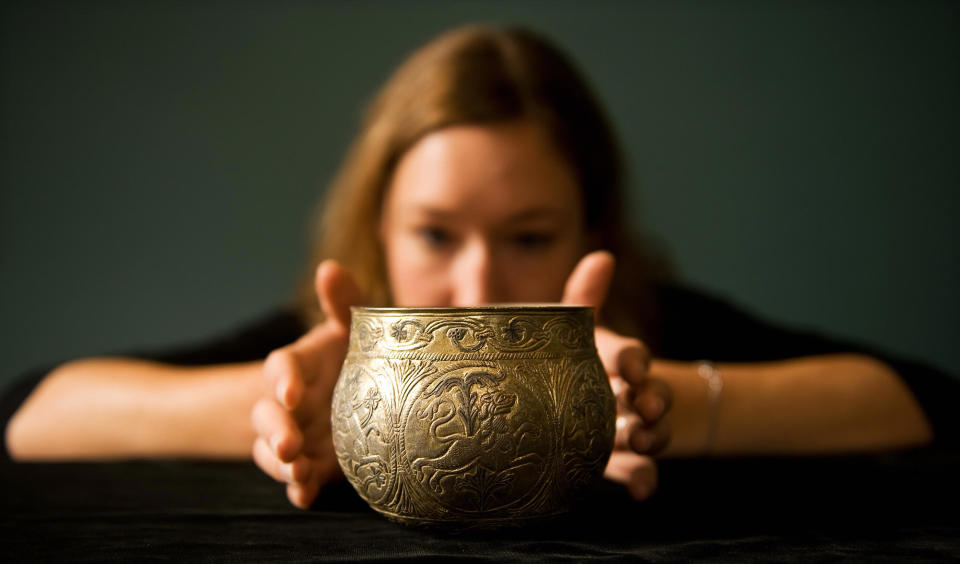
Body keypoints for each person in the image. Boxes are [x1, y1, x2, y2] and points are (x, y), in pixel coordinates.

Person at [3, 25, 953, 511]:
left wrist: (647, 401)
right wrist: (325, 405)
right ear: (376, 230)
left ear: (592, 230)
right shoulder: (337, 349)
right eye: (436, 235)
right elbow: (35, 413)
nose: (479, 287)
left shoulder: (646, 332)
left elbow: (921, 398)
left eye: (530, 235)